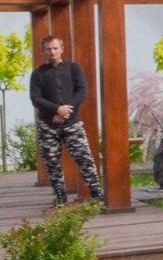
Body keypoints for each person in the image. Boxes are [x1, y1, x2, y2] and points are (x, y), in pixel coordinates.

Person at [29, 35, 106, 207]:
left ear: (62, 49)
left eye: (55, 48)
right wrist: (56, 109)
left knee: (84, 158)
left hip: (72, 124)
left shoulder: (73, 68)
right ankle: (60, 197)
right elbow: (35, 98)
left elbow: (82, 91)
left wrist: (65, 111)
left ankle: (97, 194)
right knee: (52, 162)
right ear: (43, 51)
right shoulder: (38, 74)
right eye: (48, 49)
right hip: (47, 125)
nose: (52, 52)